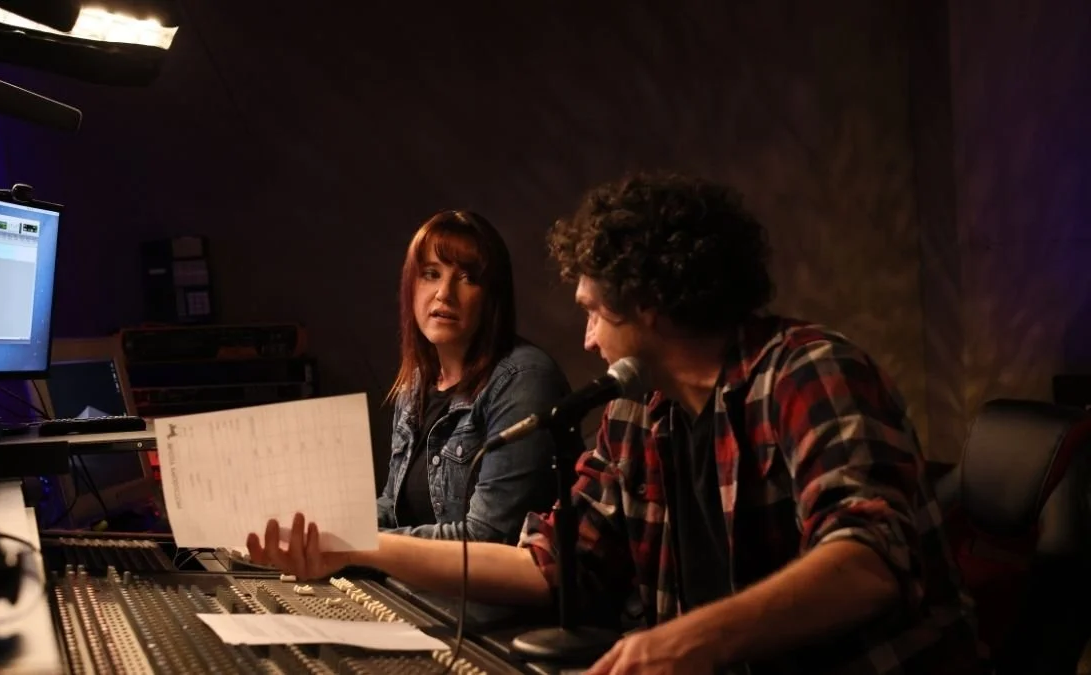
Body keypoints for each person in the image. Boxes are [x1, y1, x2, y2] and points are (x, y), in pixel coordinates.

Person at [247, 175, 986, 674]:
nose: (590, 339)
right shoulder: (641, 414)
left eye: (597, 312)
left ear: (652, 304)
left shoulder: (810, 371)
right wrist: (353, 549)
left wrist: (677, 645)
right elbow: (548, 561)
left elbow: (870, 559)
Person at [375, 209, 570, 543]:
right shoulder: (417, 382)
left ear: (492, 297)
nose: (444, 294)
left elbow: (488, 537)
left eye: (467, 278)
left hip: (484, 594)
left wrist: (365, 545)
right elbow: (392, 508)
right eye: (431, 274)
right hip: (416, 587)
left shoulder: (523, 379)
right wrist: (329, 529)